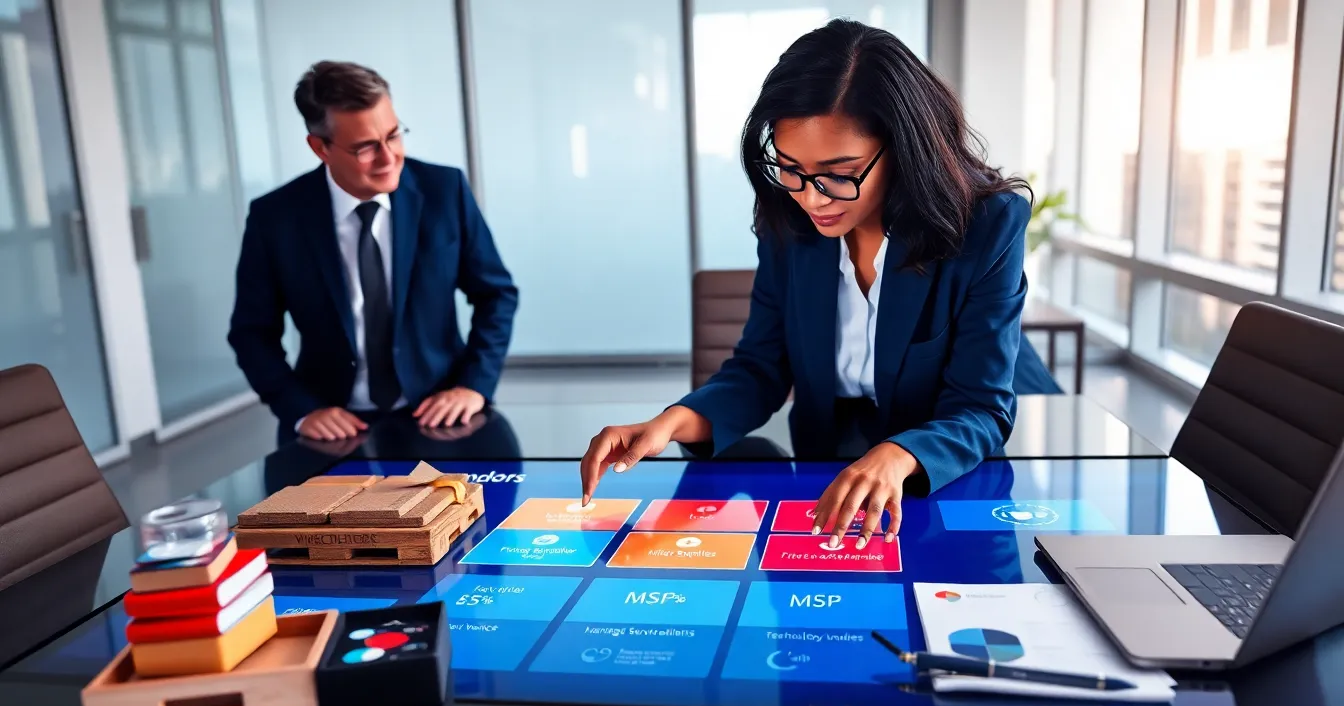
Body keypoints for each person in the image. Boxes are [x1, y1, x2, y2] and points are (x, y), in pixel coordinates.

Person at [580, 20, 1052, 547]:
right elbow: (760, 367)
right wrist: (671, 422)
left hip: (936, 478)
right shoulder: (789, 219)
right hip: (824, 465)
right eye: (790, 168)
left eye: (839, 171)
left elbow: (980, 408)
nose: (812, 198)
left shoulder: (985, 225)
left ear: (905, 149)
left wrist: (899, 455)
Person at [229, 61, 517, 443]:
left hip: (440, 413)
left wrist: (474, 385)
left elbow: (496, 294)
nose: (388, 158)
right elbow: (252, 333)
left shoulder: (445, 191)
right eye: (365, 147)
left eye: (394, 135)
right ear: (320, 148)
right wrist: (299, 408)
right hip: (331, 424)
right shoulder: (276, 217)